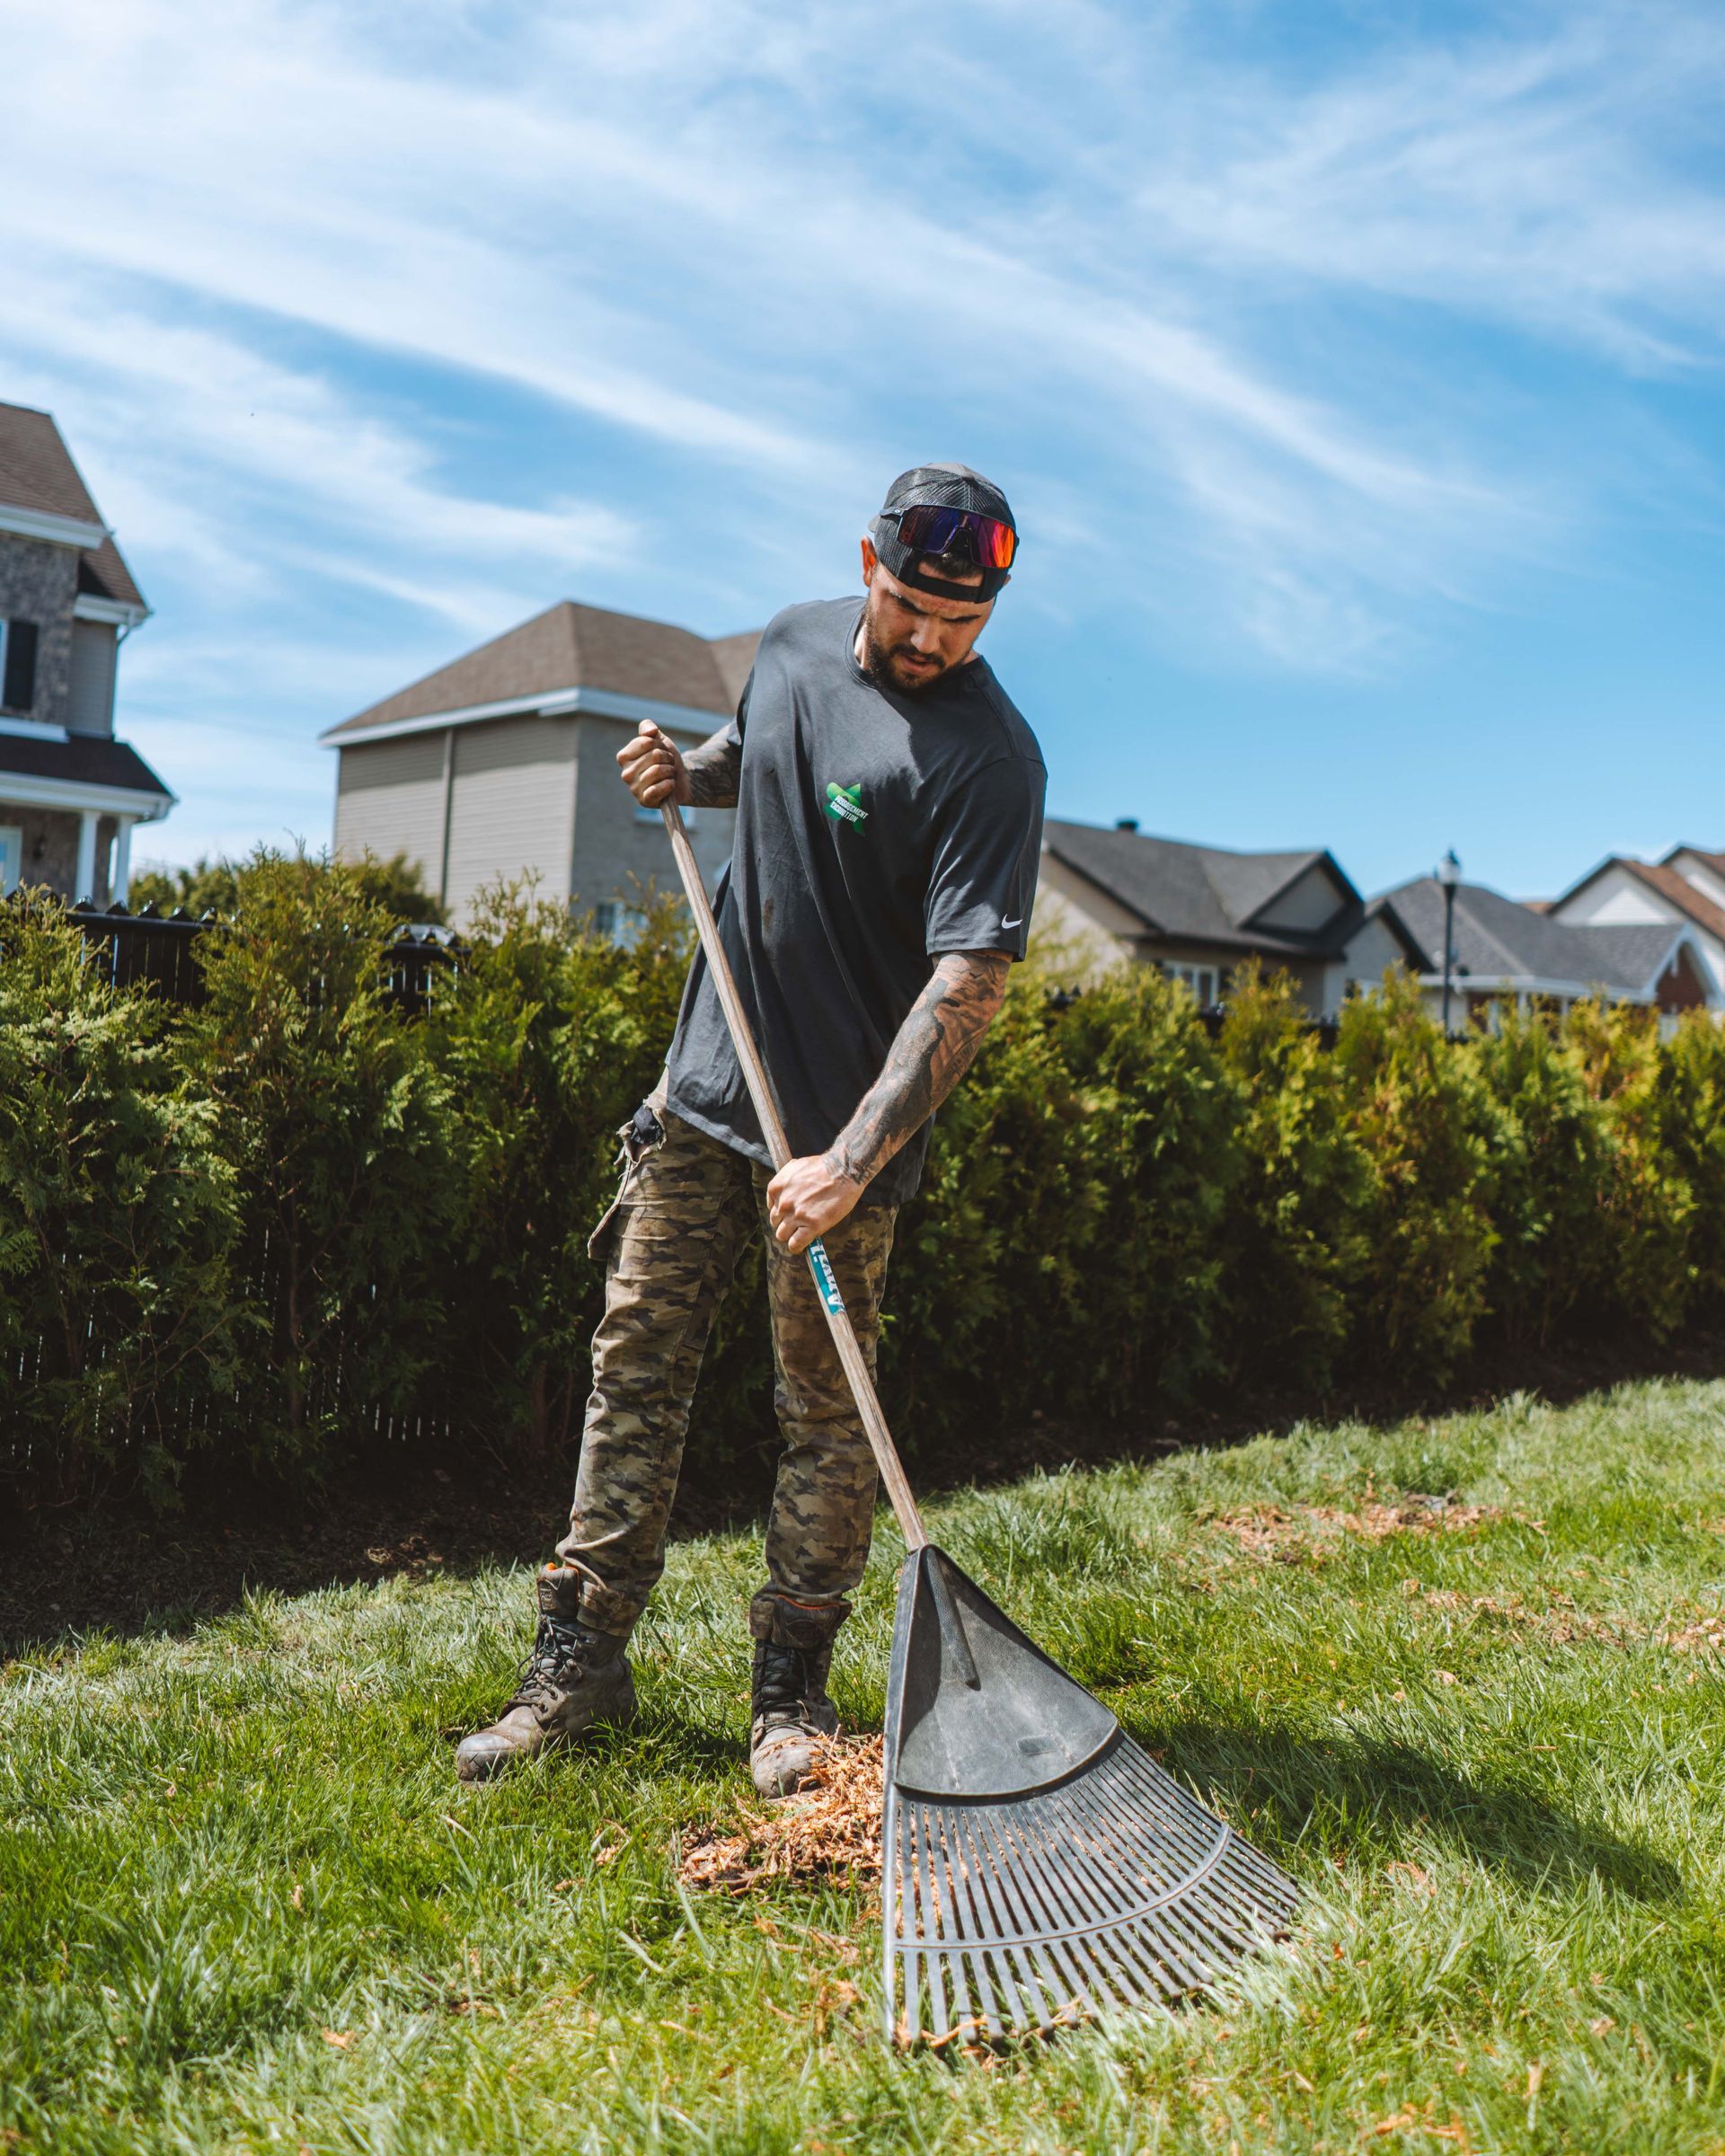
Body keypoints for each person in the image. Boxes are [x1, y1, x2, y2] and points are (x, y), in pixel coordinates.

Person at [457, 464, 1047, 1796]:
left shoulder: (991, 762)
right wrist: (689, 771)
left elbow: (969, 986)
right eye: (912, 606)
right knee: (635, 1371)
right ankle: (579, 1665)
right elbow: (770, 760)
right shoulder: (787, 644)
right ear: (866, 567)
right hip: (701, 1098)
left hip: (843, 1154)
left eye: (966, 619)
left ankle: (790, 1699)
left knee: (825, 1420)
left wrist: (851, 1163)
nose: (933, 640)